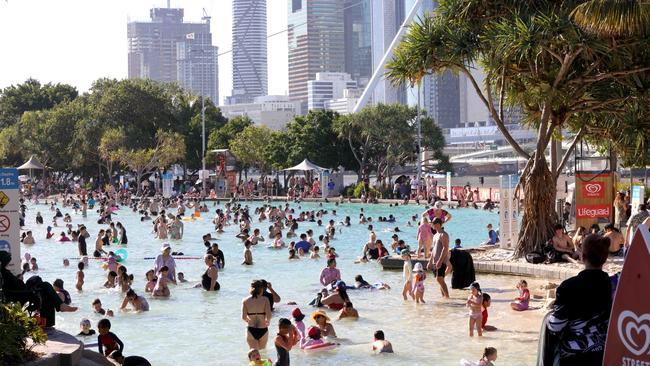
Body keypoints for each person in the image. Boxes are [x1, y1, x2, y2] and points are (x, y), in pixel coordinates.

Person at [543, 234, 612, 365]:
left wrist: (548, 318)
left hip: (575, 356)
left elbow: (555, 327)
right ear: (605, 258)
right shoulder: (613, 285)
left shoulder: (568, 287)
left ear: (582, 257)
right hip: (604, 354)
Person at [242, 280, 273, 349]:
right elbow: (269, 315)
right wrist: (268, 321)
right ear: (261, 289)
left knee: (253, 353)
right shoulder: (265, 299)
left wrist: (248, 321)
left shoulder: (245, 300)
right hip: (263, 328)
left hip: (251, 329)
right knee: (262, 353)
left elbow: (243, 317)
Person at [427, 218, 450, 298]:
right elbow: (433, 250)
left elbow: (445, 248)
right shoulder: (435, 235)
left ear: (437, 224)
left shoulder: (443, 234)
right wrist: (430, 261)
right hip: (435, 261)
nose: (431, 225)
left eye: (432, 223)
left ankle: (447, 297)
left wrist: (440, 261)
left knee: (439, 279)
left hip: (441, 261)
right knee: (440, 280)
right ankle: (444, 297)